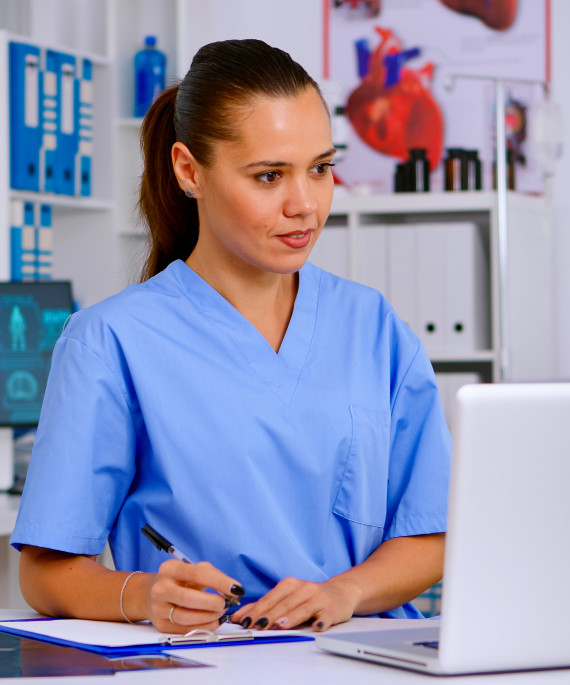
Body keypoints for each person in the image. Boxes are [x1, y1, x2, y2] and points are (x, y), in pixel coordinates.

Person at [11, 39, 451, 635]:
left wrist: (343, 592)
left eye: (320, 169)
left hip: (363, 653)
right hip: (209, 658)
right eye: (269, 176)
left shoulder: (374, 327)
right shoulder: (110, 341)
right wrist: (145, 595)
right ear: (189, 170)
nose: (305, 205)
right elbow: (45, 571)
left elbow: (429, 533)